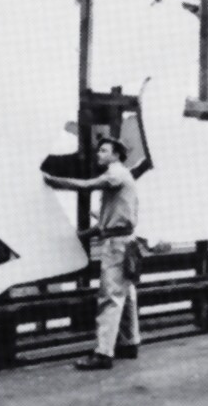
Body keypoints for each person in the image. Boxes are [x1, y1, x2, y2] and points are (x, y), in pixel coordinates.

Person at [43, 137, 140, 370]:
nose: (99, 154)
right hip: (125, 242)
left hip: (116, 245)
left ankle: (103, 353)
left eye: (104, 150)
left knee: (110, 297)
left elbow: (86, 186)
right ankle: (129, 343)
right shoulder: (122, 177)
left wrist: (52, 181)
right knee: (126, 296)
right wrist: (81, 235)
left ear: (116, 155)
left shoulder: (116, 174)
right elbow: (106, 223)